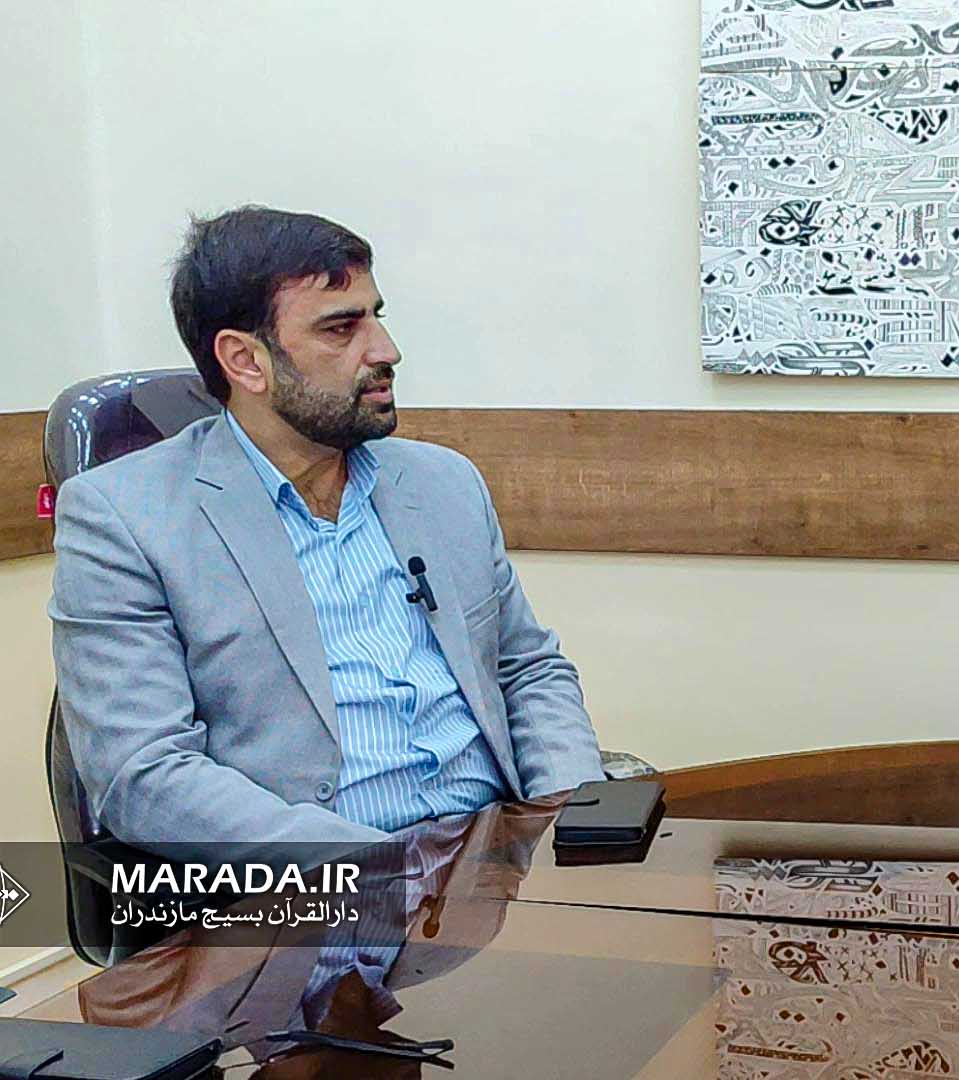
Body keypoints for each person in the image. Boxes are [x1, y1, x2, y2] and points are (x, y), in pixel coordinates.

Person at [49, 206, 606, 863]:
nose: (385, 351)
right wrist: (385, 871)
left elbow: (527, 669)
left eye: (376, 316)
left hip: (498, 865)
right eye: (342, 328)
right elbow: (143, 774)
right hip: (318, 886)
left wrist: (573, 820)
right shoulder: (123, 518)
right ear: (245, 361)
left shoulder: (444, 484)